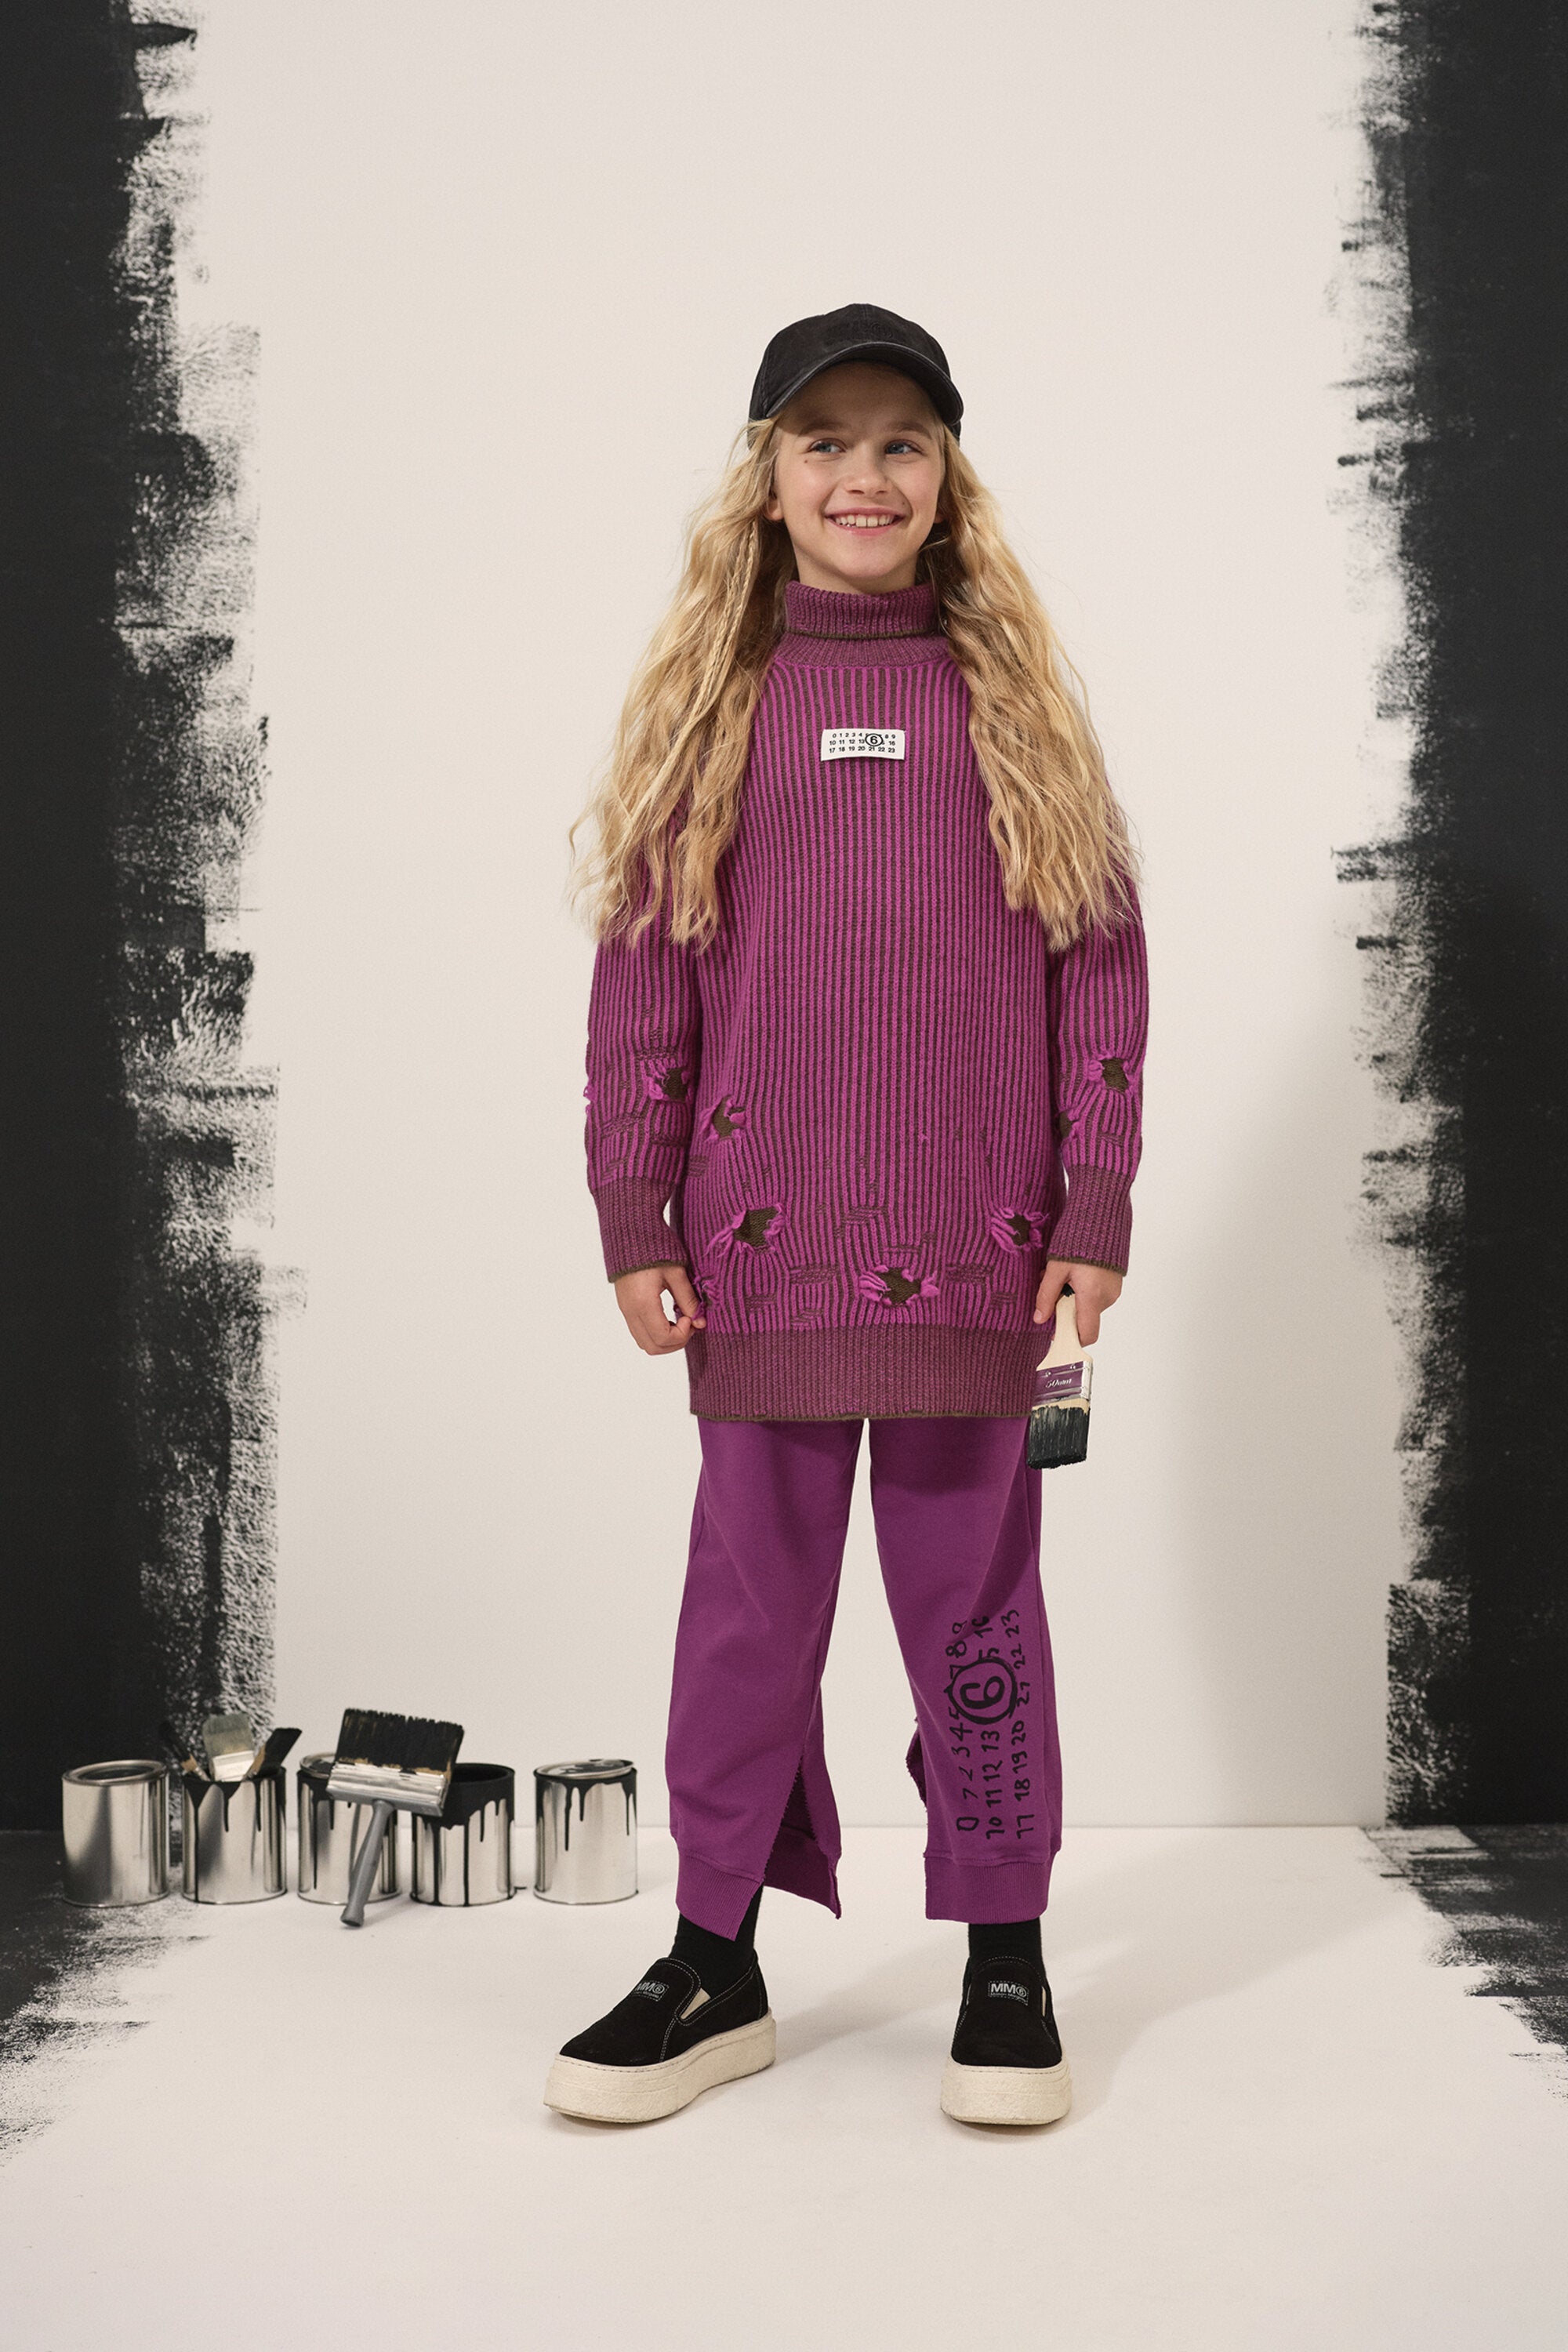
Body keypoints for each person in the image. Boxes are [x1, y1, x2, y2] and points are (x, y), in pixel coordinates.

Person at [546, 305, 1146, 2129]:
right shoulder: (711, 712)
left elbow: (1100, 970)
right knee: (747, 1614)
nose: (863, 475)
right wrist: (633, 1209)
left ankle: (1003, 1954)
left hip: (982, 1251)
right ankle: (713, 1959)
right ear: (769, 479)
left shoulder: (1017, 708)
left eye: (900, 443)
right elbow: (641, 990)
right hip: (759, 1251)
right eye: (825, 443)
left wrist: (1095, 1195)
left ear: (946, 476)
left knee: (977, 1615)